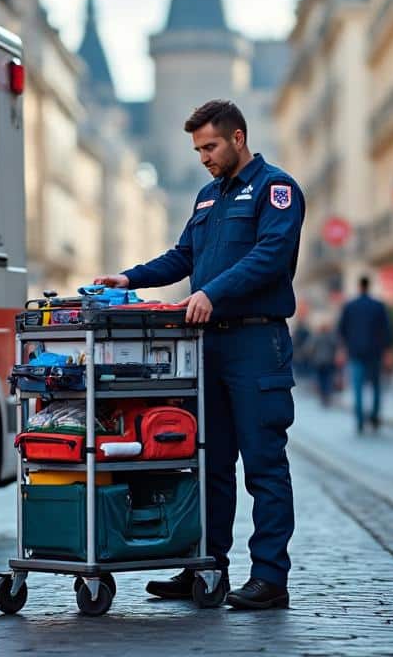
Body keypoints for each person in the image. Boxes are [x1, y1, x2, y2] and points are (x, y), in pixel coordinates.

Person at [93, 99, 304, 609]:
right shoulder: (208, 197)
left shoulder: (276, 190)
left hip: (256, 343)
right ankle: (205, 568)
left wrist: (213, 293)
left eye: (210, 146)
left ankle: (270, 578)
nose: (203, 157)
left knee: (264, 466)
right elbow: (183, 257)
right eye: (197, 149)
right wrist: (129, 278)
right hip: (207, 344)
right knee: (207, 462)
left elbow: (270, 256)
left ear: (237, 138)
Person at [339, 275, 392, 432]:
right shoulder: (379, 306)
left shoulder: (350, 306)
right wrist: (388, 352)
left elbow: (342, 330)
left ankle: (360, 419)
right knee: (376, 386)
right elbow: (387, 331)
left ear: (358, 286)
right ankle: (374, 416)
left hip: (355, 353)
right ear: (369, 286)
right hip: (375, 353)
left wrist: (343, 350)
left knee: (357, 388)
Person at [306, 317, 339, 408]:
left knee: (321, 380)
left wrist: (310, 356)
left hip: (318, 362)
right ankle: (327, 396)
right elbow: (336, 346)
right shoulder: (331, 337)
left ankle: (323, 397)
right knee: (327, 380)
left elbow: (310, 348)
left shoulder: (316, 336)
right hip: (328, 361)